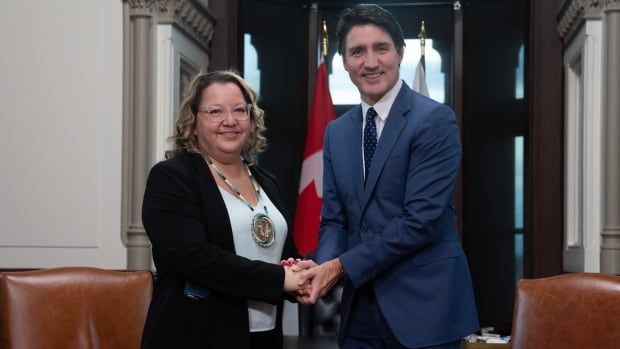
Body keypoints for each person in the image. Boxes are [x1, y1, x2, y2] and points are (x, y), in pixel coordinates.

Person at [292, 4, 479, 349]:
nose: (371, 62)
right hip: (359, 310)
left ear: (400, 53)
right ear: (344, 63)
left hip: (426, 308)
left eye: (381, 48)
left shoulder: (434, 121)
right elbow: (334, 219)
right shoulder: (336, 133)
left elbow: (419, 221)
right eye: (357, 52)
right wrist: (317, 267)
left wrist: (339, 266)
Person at [140, 70, 303, 349]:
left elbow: (280, 252)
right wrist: (282, 279)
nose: (230, 121)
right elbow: (196, 259)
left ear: (251, 119)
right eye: (215, 111)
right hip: (195, 336)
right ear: (192, 124)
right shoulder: (172, 178)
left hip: (264, 337)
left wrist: (299, 269)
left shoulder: (267, 181)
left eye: (240, 110)